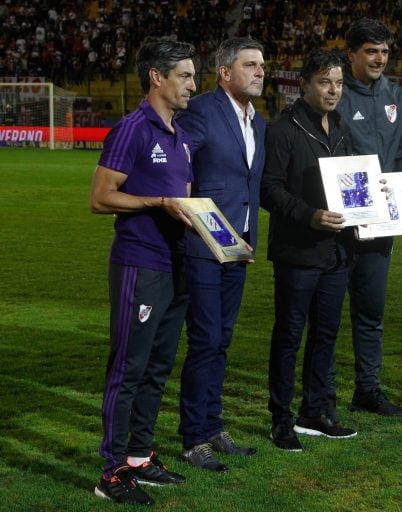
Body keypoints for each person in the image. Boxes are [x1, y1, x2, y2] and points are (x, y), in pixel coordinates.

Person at [89, 37, 197, 506]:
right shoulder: (133, 128)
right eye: (186, 76)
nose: (194, 84)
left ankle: (139, 457)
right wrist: (155, 202)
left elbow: (186, 203)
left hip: (176, 264)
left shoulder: (181, 134)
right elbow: (100, 197)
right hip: (139, 261)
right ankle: (111, 472)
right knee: (128, 368)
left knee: (156, 367)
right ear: (158, 77)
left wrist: (223, 238)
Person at [175, 37, 266, 472]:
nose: (259, 71)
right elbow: (179, 165)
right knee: (206, 340)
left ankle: (211, 426)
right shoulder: (202, 110)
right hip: (202, 247)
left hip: (239, 248)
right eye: (250, 65)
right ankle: (194, 439)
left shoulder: (259, 122)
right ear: (225, 73)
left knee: (222, 341)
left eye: (261, 65)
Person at [260, 49, 358, 452]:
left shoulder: (342, 129)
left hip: (336, 253)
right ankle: (281, 420)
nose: (333, 89)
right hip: (297, 252)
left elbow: (354, 182)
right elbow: (269, 189)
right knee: (289, 336)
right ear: (304, 84)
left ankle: (315, 412)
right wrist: (309, 215)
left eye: (337, 82)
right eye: (324, 82)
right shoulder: (283, 129)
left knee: (326, 335)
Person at [333, 17, 402, 418]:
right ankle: (318, 395)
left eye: (385, 52)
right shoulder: (333, 92)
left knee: (371, 312)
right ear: (351, 54)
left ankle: (367, 390)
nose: (379, 59)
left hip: (380, 224)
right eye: (371, 51)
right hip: (336, 224)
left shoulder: (397, 98)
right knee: (325, 314)